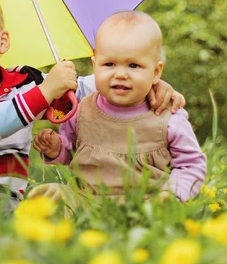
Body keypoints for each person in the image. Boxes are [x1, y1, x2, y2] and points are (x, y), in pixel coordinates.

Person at [0, 0, 185, 211]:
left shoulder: (25, 81)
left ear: (2, 42)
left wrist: (147, 83)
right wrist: (47, 90)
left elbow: (82, 88)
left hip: (4, 194)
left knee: (13, 219)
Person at [32, 11, 206, 206]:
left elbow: (191, 164)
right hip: (87, 199)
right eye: (109, 64)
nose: (120, 74)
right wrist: (56, 148)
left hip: (147, 203)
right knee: (52, 196)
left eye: (133, 65)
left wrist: (172, 194)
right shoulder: (82, 111)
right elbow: (71, 152)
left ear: (156, 72)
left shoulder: (168, 117)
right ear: (95, 64)